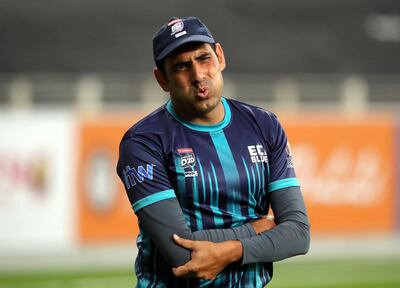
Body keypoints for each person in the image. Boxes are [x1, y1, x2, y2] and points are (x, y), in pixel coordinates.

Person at [117, 16, 310, 287]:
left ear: (220, 56)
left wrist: (231, 250)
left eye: (203, 58)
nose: (198, 76)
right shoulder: (143, 142)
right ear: (162, 79)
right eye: (182, 67)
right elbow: (181, 252)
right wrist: (257, 229)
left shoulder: (265, 125)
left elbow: (298, 234)